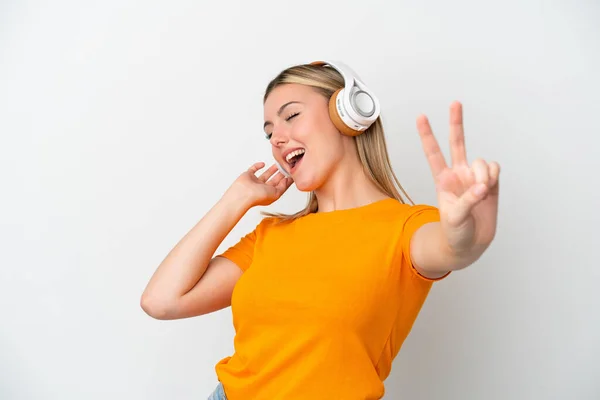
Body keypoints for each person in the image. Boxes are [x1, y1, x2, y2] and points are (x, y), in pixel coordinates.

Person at [140, 60, 501, 400]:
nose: (277, 140)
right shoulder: (270, 235)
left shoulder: (406, 228)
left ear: (348, 115)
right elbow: (161, 301)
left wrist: (470, 234)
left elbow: (453, 247)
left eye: (291, 116)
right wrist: (233, 201)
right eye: (269, 133)